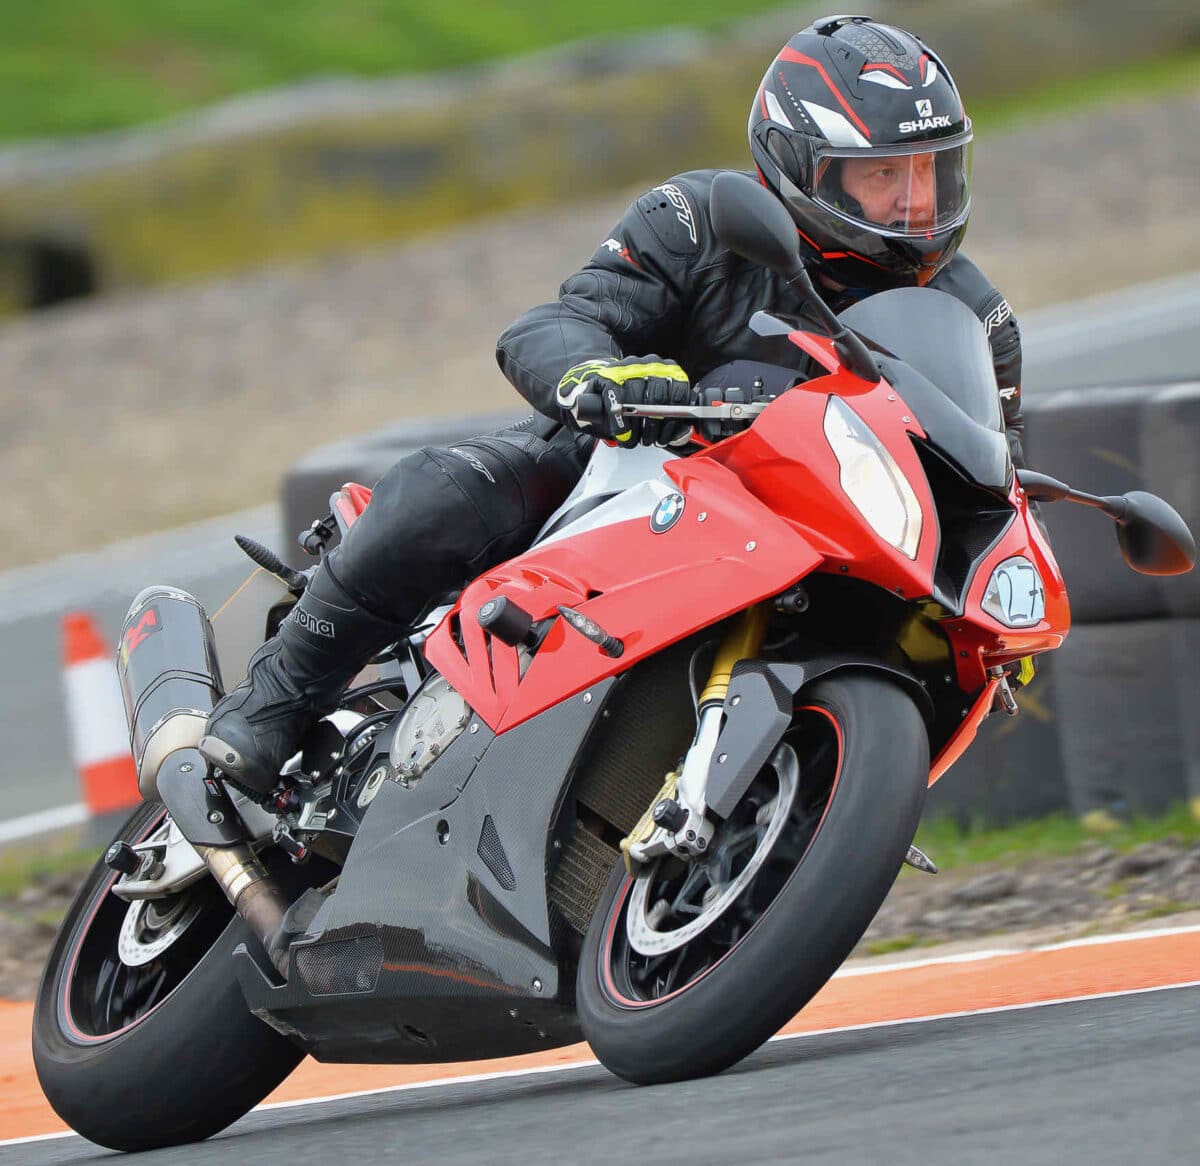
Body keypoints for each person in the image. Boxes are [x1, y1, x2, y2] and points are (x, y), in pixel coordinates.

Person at [199, 14, 1026, 797]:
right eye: (883, 175)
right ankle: (269, 707)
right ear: (799, 160)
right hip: (626, 471)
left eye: (931, 171)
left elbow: (992, 469)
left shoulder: (973, 317)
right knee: (439, 492)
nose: (914, 205)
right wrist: (603, 375)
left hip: (815, 537)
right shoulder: (702, 220)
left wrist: (997, 581)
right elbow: (559, 322)